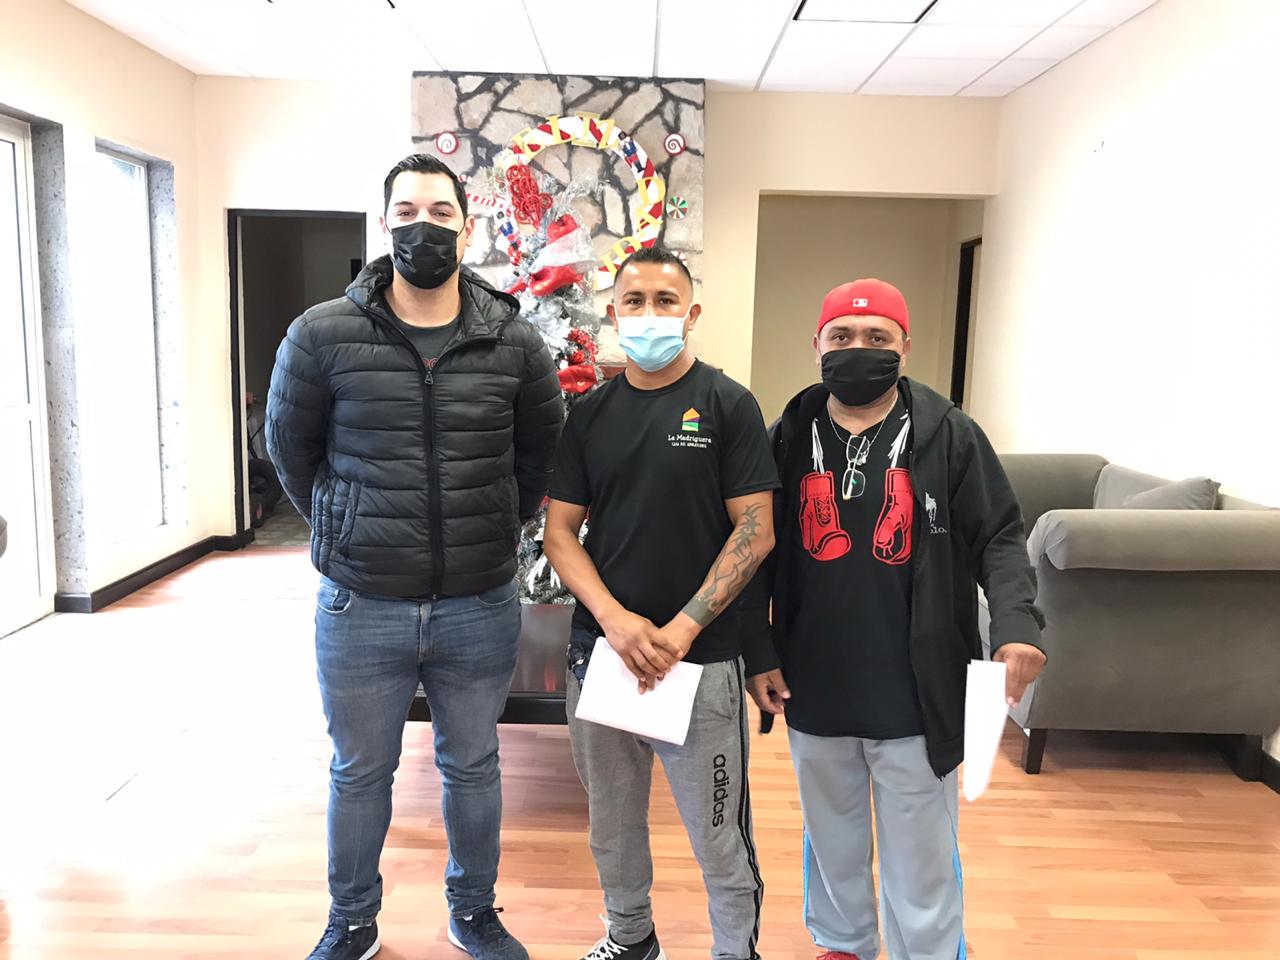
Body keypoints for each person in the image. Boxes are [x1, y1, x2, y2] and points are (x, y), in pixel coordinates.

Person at [266, 154, 563, 960]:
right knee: (360, 772)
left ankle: (474, 912)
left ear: (467, 228)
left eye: (439, 212)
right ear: (384, 224)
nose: (421, 227)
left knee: (474, 765)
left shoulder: (513, 342)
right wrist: (348, 526)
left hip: (478, 603)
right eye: (405, 212)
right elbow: (290, 451)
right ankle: (352, 921)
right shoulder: (320, 334)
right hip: (361, 603)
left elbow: (540, 455)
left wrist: (493, 524)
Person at [746, 279, 1047, 960]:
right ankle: (844, 943)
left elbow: (1000, 536)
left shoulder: (950, 435)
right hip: (812, 677)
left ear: (904, 346)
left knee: (921, 846)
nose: (859, 348)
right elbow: (753, 546)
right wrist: (757, 650)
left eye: (877, 337)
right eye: (842, 336)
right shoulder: (787, 436)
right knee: (832, 832)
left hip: (916, 685)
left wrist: (1016, 626)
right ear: (817, 345)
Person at [543, 247, 779, 960]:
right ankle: (630, 938)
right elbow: (560, 533)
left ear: (691, 313)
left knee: (718, 836)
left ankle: (734, 951)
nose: (650, 314)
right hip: (604, 657)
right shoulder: (589, 414)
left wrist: (681, 629)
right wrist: (615, 622)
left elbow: (756, 528)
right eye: (635, 301)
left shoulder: (728, 404)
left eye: (665, 301)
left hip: (700, 663)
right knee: (611, 828)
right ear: (614, 313)